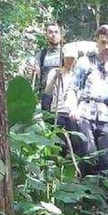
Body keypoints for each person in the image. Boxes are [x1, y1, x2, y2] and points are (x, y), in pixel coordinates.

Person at [66, 24, 108, 174]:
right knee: (88, 155)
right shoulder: (84, 63)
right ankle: (85, 195)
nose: (106, 47)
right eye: (103, 42)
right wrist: (73, 108)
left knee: (106, 160)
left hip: (107, 119)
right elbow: (72, 89)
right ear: (97, 42)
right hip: (85, 115)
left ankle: (103, 196)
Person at [43, 43, 80, 171]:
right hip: (57, 111)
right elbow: (47, 91)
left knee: (75, 143)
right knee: (59, 143)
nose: (70, 61)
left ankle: (73, 170)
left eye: (73, 58)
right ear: (63, 58)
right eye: (68, 58)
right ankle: (57, 169)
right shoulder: (55, 71)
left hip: (71, 113)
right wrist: (54, 78)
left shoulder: (78, 75)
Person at [26, 21, 62, 111]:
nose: (53, 35)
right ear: (46, 35)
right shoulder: (41, 54)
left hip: (62, 99)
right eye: (50, 32)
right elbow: (35, 75)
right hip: (45, 97)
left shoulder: (66, 54)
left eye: (56, 32)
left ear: (61, 35)